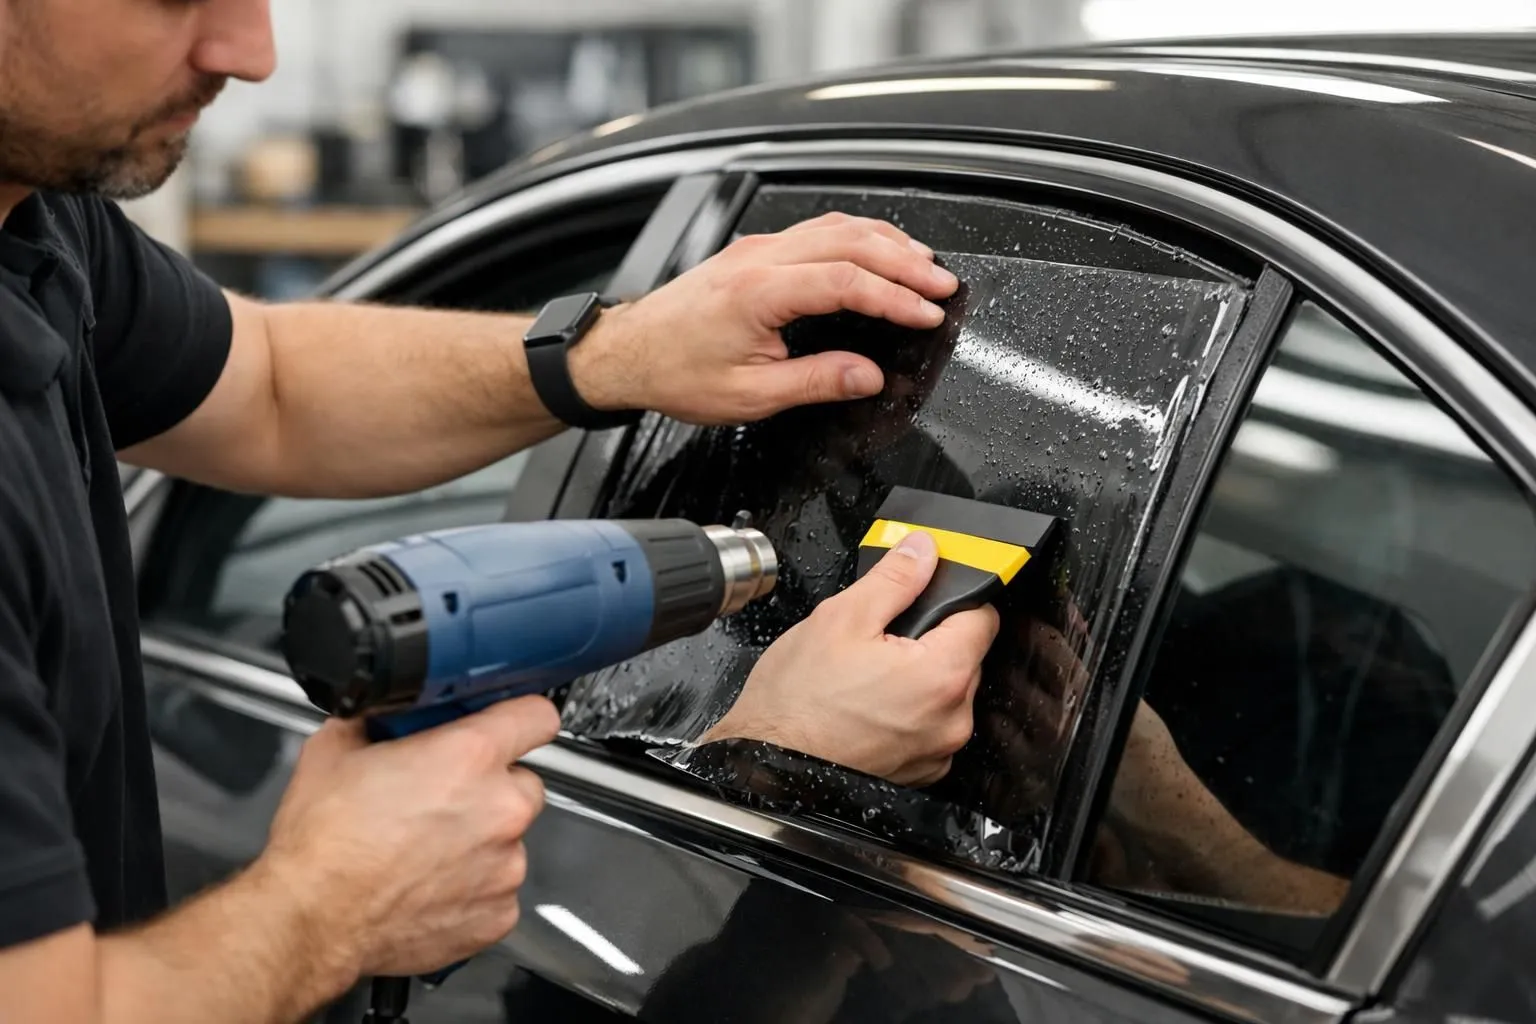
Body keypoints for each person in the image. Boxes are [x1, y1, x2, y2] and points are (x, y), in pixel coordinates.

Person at [0, 4, 1001, 1022]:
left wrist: (617, 352)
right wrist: (329, 906)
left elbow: (267, 382)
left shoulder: (36, 220)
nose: (249, 53)